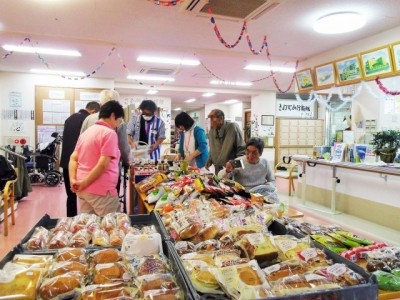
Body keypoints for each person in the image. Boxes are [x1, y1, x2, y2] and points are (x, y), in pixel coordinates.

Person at [69, 100, 124, 216]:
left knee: (91, 227)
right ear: (113, 115)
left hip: (83, 190)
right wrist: (84, 182)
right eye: (119, 120)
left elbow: (73, 158)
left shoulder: (87, 132)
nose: (118, 124)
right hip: (101, 190)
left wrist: (73, 180)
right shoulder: (109, 133)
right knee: (113, 227)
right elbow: (103, 164)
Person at [81, 90, 130, 194]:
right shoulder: (118, 121)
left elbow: (81, 142)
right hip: (107, 173)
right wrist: (127, 162)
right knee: (109, 207)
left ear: (100, 104)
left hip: (86, 169)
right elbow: (123, 148)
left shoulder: (88, 118)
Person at [60, 101, 100, 217]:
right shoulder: (88, 120)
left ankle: (71, 220)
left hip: (66, 161)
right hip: (82, 162)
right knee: (88, 195)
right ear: (93, 111)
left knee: (71, 195)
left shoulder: (70, 118)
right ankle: (89, 221)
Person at [219, 137, 277, 201]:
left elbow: (272, 181)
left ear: (260, 153)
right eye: (248, 151)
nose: (250, 155)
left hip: (260, 194)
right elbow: (220, 178)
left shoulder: (265, 163)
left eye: (254, 153)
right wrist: (227, 170)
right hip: (243, 195)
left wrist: (269, 185)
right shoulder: (239, 162)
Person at [206, 109, 246, 174]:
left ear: (221, 118)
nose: (210, 121)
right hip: (218, 170)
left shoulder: (232, 128)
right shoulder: (211, 131)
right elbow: (212, 148)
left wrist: (235, 165)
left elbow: (242, 150)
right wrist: (210, 160)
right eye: (209, 118)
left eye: (212, 117)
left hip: (231, 170)